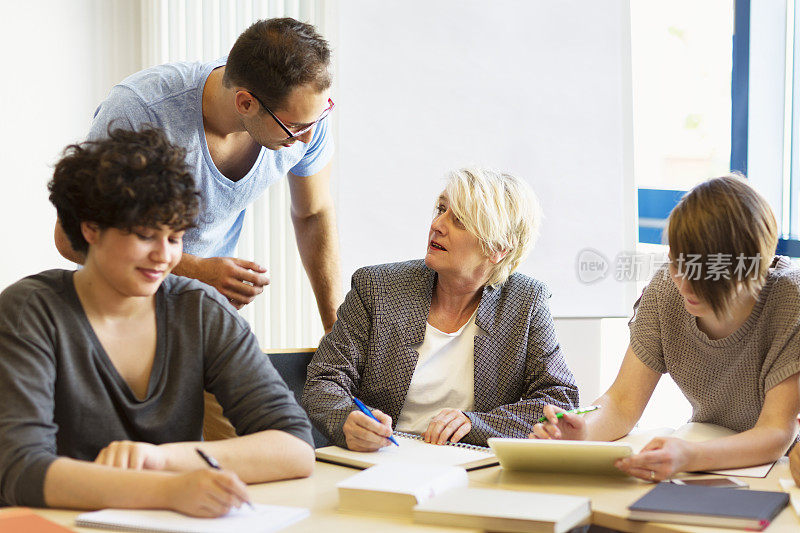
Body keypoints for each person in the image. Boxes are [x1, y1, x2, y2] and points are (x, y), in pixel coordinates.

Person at [0, 128, 315, 516]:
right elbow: (21, 470)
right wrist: (164, 490)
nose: (164, 256)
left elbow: (295, 446)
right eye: (147, 235)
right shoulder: (30, 311)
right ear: (90, 228)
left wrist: (161, 460)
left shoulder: (199, 309)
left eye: (175, 237)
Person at [53, 17, 342, 329]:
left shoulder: (304, 113)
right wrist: (195, 271)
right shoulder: (140, 111)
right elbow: (71, 238)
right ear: (245, 102)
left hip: (201, 321)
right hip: (118, 319)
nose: (307, 137)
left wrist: (336, 331)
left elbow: (313, 214)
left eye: (319, 116)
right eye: (295, 126)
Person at [532, 175, 800, 481]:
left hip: (779, 469)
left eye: (702, 273)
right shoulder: (665, 290)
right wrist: (582, 431)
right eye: (676, 263)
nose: (683, 283)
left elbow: (776, 431)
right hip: (708, 452)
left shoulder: (790, 300)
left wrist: (689, 455)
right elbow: (621, 403)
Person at [301, 167, 579, 450]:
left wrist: (477, 424)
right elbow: (324, 380)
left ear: (498, 249)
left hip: (471, 464)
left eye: (459, 221)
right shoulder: (376, 287)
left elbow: (559, 399)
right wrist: (347, 420)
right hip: (382, 457)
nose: (438, 225)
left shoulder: (526, 301)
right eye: (441, 209)